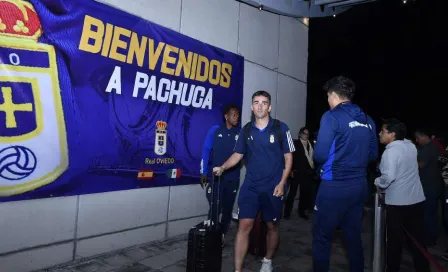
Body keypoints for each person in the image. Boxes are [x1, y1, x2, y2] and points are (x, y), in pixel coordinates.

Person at [213, 90, 294, 272]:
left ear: (269, 107)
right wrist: (223, 167)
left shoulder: (281, 128)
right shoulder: (247, 129)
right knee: (244, 226)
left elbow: (289, 158)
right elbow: (238, 154)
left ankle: (267, 260)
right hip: (251, 186)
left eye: (264, 103)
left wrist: (282, 183)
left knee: (272, 226)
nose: (260, 106)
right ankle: (238, 270)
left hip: (274, 187)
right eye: (256, 102)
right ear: (251, 106)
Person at [313, 76, 378, 272]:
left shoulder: (331, 116)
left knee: (322, 238)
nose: (327, 101)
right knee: (353, 236)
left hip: (334, 187)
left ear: (333, 95)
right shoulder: (368, 119)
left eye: (327, 96)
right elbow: (373, 154)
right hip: (359, 186)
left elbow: (320, 155)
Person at [375, 118, 430, 272]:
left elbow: (388, 177)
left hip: (398, 205)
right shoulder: (410, 146)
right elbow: (404, 139)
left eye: (383, 131)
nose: (379, 134)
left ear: (392, 134)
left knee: (394, 243)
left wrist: (377, 182)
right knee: (418, 242)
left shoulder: (390, 151)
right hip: (416, 201)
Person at [200, 104, 241, 247]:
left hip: (233, 179)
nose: (237, 117)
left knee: (228, 209)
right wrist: (203, 172)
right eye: (234, 115)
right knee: (215, 207)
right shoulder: (215, 130)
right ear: (226, 116)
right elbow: (206, 150)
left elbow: (245, 155)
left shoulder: (240, 133)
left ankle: (222, 235)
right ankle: (211, 234)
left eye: (238, 115)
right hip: (217, 178)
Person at [415, 129, 442, 246]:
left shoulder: (428, 148)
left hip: (428, 186)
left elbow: (421, 164)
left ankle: (429, 239)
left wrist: (408, 162)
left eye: (417, 138)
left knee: (427, 214)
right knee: (431, 213)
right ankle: (432, 236)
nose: (417, 141)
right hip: (433, 184)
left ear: (423, 136)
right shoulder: (434, 146)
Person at [284, 127, 315, 220]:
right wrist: (291, 170)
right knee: (292, 193)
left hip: (306, 173)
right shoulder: (295, 143)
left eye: (308, 134)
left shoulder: (310, 144)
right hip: (296, 172)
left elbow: (312, 158)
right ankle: (287, 213)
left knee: (304, 193)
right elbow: (290, 158)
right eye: (305, 133)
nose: (306, 135)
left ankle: (301, 212)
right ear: (300, 134)